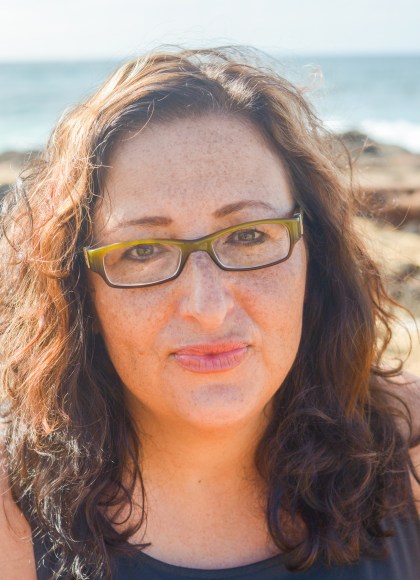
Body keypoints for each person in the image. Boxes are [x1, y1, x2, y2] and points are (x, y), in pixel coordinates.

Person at [0, 47, 419, 580]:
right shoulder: (11, 516)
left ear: (315, 256)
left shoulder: (405, 453)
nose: (208, 307)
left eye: (249, 236)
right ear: (79, 289)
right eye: (143, 250)